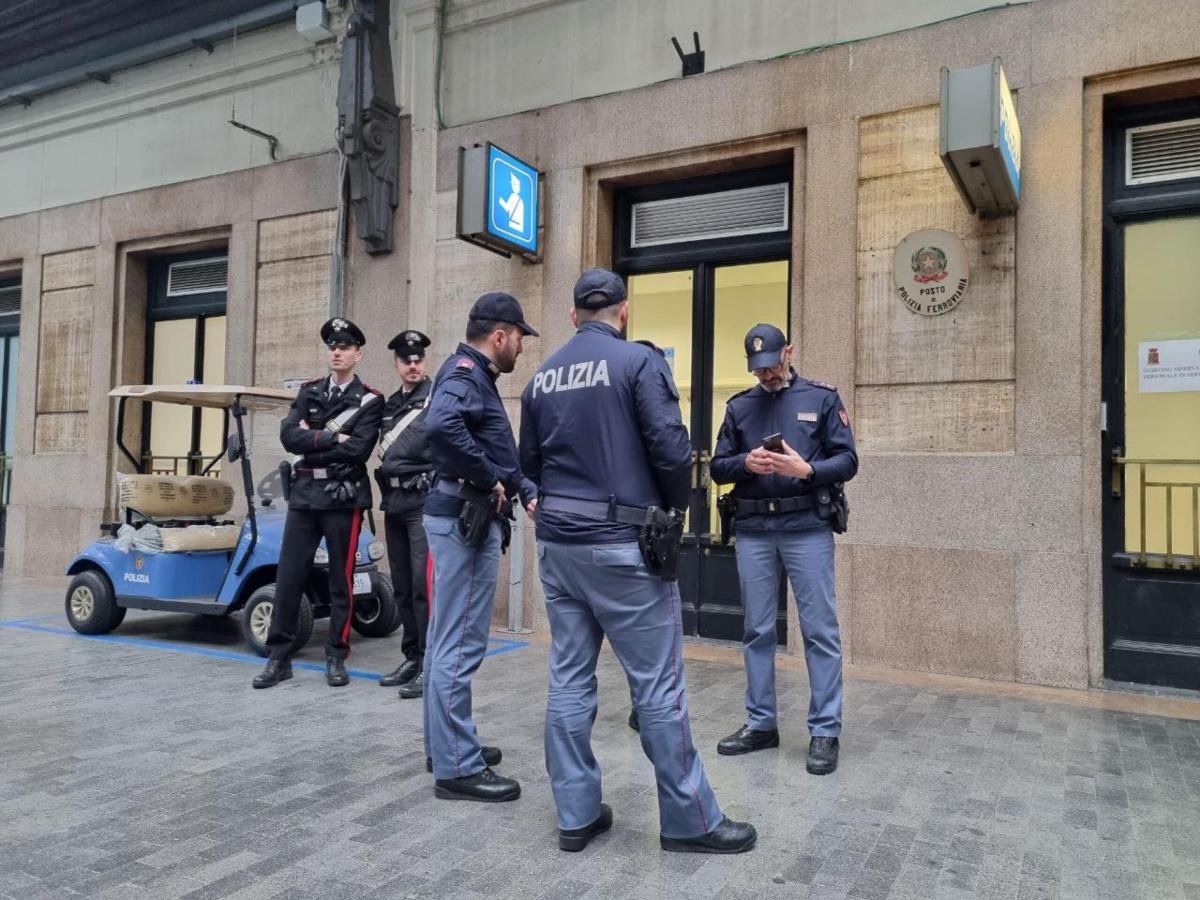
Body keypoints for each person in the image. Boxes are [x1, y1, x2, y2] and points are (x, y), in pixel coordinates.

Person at [519, 268, 756, 854]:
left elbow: (527, 464)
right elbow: (673, 451)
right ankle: (690, 820)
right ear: (623, 312)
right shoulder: (637, 362)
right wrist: (676, 514)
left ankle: (575, 814)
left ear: (574, 315)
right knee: (658, 687)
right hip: (624, 547)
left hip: (558, 547)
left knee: (569, 679)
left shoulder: (542, 376)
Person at [708, 323, 858, 775]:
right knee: (756, 630)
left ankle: (825, 730)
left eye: (772, 365)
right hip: (754, 528)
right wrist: (744, 463)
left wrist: (807, 469)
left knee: (819, 631)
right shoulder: (739, 407)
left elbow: (848, 460)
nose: (766, 375)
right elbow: (717, 467)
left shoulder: (822, 398)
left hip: (806, 527)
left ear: (789, 352)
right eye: (758, 369)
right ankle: (761, 724)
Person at [421, 292, 538, 802]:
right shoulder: (467, 374)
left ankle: (445, 743)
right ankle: (457, 767)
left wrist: (519, 486)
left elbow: (485, 443)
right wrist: (489, 478)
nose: (521, 348)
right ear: (499, 335)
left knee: (445, 641)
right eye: (519, 338)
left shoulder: (467, 373)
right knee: (461, 644)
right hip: (464, 519)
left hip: (458, 515)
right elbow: (441, 426)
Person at [254, 317, 383, 689]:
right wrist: (334, 442)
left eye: (344, 347)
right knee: (289, 577)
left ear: (358, 355)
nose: (337, 352)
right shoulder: (309, 391)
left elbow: (359, 450)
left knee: (341, 581)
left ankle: (336, 656)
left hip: (343, 499)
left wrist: (315, 438)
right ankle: (279, 657)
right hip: (306, 496)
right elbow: (288, 436)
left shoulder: (371, 400)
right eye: (332, 347)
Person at [376, 330, 435, 699]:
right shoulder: (389, 404)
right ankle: (411, 656)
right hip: (393, 501)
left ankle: (430, 664)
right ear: (397, 365)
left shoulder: (436, 398)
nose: (412, 365)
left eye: (417, 360)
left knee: (421, 587)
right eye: (405, 360)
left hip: (423, 502)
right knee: (400, 585)